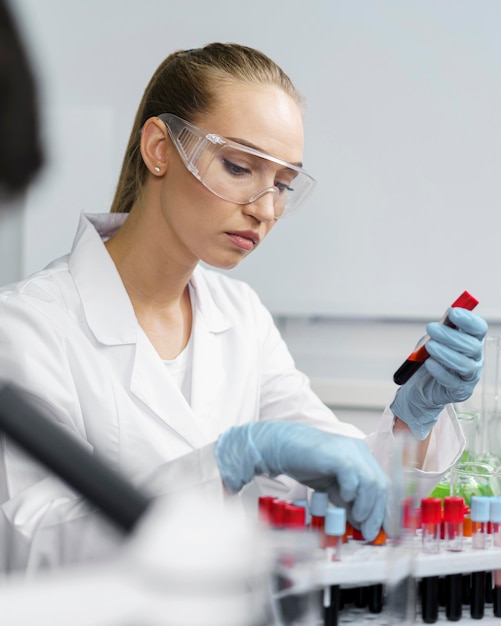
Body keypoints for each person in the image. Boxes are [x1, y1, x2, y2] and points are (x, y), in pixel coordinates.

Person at [0, 42, 486, 574]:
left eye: (282, 184)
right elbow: (30, 546)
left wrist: (411, 422)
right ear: (160, 148)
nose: (264, 209)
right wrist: (228, 462)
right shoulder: (28, 325)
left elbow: (341, 478)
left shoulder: (241, 315)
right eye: (238, 167)